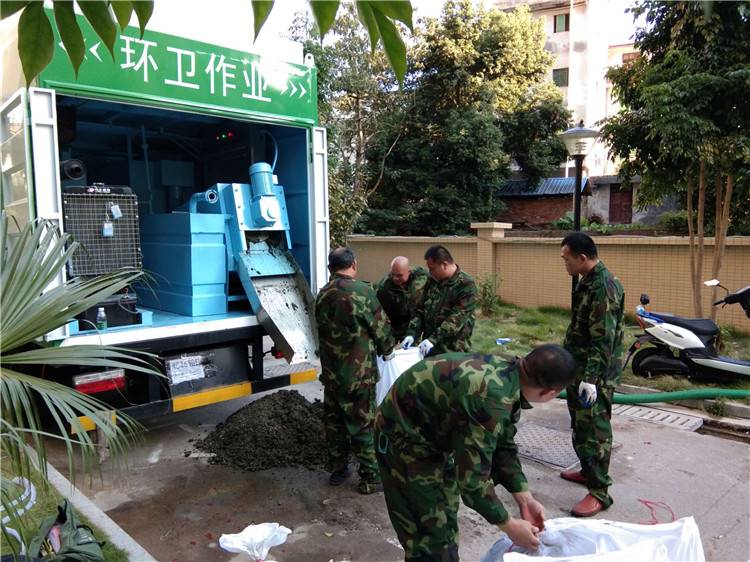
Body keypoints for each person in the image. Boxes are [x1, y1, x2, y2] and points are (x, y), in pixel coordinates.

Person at [375, 344, 577, 561]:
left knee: (443, 520)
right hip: (404, 441)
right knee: (427, 538)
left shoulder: (510, 373)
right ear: (550, 393)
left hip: (431, 435)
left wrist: (525, 498)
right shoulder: (490, 400)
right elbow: (472, 483)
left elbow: (502, 442)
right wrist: (509, 525)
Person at [315, 247, 395, 494]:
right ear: (354, 265)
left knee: (335, 422)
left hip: (332, 374)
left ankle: (338, 470)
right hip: (359, 375)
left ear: (331, 267)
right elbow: (381, 329)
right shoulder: (363, 292)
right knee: (362, 424)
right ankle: (370, 477)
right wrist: (388, 349)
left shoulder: (322, 294)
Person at [559, 232, 625, 517]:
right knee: (580, 426)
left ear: (582, 258)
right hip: (580, 368)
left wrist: (592, 379)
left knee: (595, 432)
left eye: (567, 259)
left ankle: (599, 492)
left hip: (594, 374)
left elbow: (603, 339)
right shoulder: (587, 282)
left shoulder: (604, 287)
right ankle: (588, 471)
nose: (564, 264)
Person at [401, 245, 477, 358]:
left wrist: (433, 339)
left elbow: (457, 318)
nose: (430, 272)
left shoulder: (465, 285)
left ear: (444, 265)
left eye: (432, 268)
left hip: (452, 351)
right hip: (429, 349)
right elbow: (420, 309)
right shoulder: (432, 281)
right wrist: (412, 334)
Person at [376, 256, 429, 341]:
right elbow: (380, 314)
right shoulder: (384, 287)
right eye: (392, 274)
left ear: (409, 271)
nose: (395, 278)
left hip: (416, 323)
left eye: (399, 275)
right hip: (397, 327)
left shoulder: (422, 275)